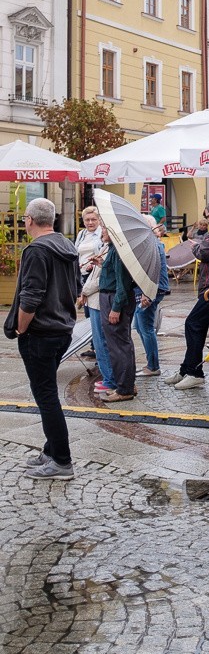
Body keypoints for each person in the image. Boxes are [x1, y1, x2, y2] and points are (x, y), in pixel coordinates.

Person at [4, 198, 81, 480]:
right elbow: (77, 287)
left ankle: (62, 461)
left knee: (46, 396)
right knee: (48, 391)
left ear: (29, 220)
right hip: (62, 328)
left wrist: (22, 328)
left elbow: (31, 296)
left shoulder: (37, 250)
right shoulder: (66, 245)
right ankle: (51, 451)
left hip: (40, 332)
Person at [164, 199, 209, 389]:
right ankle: (187, 368)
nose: (204, 218)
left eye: (206, 213)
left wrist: (194, 247)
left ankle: (194, 371)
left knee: (194, 324)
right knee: (196, 325)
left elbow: (206, 252)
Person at [99, 229, 137, 403]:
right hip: (113, 298)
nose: (102, 233)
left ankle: (125, 389)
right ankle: (127, 384)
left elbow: (122, 285)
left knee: (118, 346)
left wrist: (116, 308)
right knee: (121, 344)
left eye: (104, 229)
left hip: (114, 299)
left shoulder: (118, 251)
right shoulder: (114, 250)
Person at [81, 225, 117, 396]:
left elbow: (103, 278)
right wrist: (98, 264)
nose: (101, 232)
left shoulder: (112, 250)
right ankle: (108, 377)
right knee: (100, 341)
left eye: (104, 230)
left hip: (98, 300)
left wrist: (84, 292)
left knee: (101, 342)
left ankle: (110, 378)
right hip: (95, 300)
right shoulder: (105, 247)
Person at [133, 215, 171, 377]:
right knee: (141, 327)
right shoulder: (150, 243)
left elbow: (153, 270)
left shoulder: (151, 244)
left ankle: (153, 366)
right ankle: (151, 364)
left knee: (146, 328)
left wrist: (146, 293)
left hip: (151, 291)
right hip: (150, 290)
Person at [74, 204, 103, 356]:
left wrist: (95, 265)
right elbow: (76, 251)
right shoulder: (82, 234)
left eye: (93, 219)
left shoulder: (101, 234)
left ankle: (99, 346)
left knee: (94, 311)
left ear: (99, 220)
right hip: (81, 274)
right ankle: (93, 345)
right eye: (87, 220)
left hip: (93, 274)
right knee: (86, 312)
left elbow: (102, 253)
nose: (90, 223)